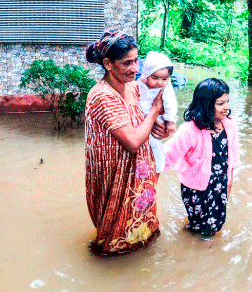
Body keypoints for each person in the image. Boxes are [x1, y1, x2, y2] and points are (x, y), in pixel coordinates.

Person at [84, 29, 167, 255]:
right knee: (114, 234)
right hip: (116, 172)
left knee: (141, 216)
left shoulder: (131, 86)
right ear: (108, 64)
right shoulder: (103, 95)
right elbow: (132, 142)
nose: (135, 69)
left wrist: (159, 125)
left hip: (137, 170)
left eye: (136, 60)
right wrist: (154, 112)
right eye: (127, 63)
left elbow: (141, 121)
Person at [163, 78, 241, 237]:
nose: (227, 107)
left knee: (218, 221)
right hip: (196, 187)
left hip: (220, 183)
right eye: (221, 103)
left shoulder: (229, 124)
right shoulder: (190, 130)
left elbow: (232, 154)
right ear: (206, 104)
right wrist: (147, 173)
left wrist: (229, 182)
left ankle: (193, 234)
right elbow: (168, 154)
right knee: (202, 227)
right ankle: (193, 243)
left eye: (227, 101)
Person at [137, 51, 178, 173]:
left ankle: (158, 167)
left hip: (157, 120)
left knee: (155, 142)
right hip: (141, 119)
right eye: (154, 78)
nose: (159, 82)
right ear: (147, 74)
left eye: (164, 78)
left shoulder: (165, 88)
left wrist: (170, 121)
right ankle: (140, 167)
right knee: (141, 146)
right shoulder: (138, 84)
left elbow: (171, 103)